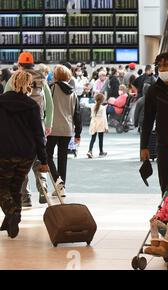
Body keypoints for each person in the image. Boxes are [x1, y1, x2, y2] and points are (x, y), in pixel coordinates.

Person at [0, 71, 49, 238]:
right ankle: (13, 219)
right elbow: (38, 134)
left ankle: (12, 212)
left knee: (2, 186)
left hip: (4, 152)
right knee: (15, 186)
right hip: (26, 154)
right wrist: (43, 159)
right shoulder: (32, 105)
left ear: (12, 82)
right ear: (29, 85)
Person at [3, 53, 54, 207]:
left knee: (21, 163)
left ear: (19, 64)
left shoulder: (14, 79)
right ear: (33, 64)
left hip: (18, 128)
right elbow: (50, 103)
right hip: (37, 123)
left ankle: (26, 197)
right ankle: (43, 187)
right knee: (39, 159)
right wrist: (48, 123)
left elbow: (6, 103)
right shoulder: (41, 79)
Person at [140, 52, 168, 194]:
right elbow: (147, 119)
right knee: (165, 184)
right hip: (163, 143)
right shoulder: (154, 90)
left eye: (166, 65)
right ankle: (167, 213)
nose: (162, 69)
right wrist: (144, 146)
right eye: (159, 65)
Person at [47, 65, 82, 197]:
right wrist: (78, 133)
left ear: (55, 76)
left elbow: (45, 107)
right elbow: (77, 114)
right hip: (67, 130)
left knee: (47, 156)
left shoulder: (52, 88)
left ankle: (57, 181)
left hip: (52, 128)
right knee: (63, 158)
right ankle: (62, 188)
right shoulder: (73, 93)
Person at [87, 93, 108, 159]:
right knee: (100, 138)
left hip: (93, 123)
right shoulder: (103, 108)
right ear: (102, 100)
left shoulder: (92, 106)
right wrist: (106, 127)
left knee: (93, 138)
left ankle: (90, 151)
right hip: (101, 124)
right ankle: (101, 151)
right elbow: (104, 118)